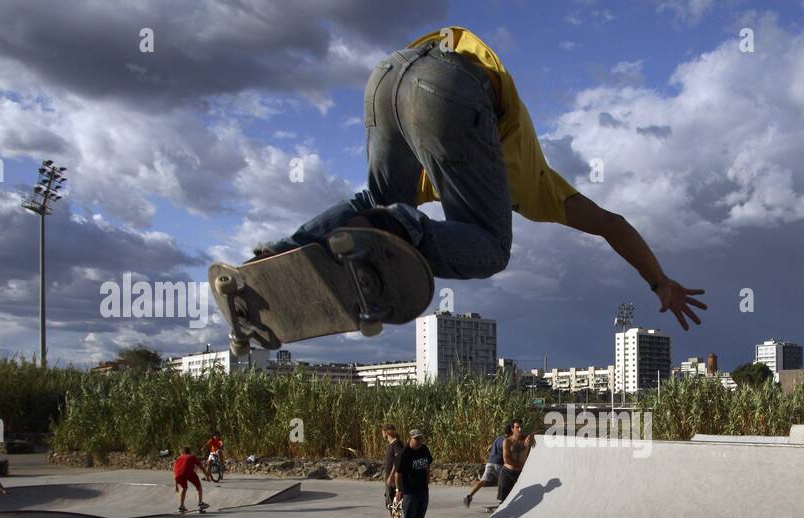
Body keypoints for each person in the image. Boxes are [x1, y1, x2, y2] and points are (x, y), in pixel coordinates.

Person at [250, 26, 706, 332]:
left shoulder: (443, 172)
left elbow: (616, 224)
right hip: (449, 88)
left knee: (376, 202)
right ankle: (390, 231)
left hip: (385, 79)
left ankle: (283, 253)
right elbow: (612, 224)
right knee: (490, 248)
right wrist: (658, 281)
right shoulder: (542, 185)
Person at [391, 428, 433, 518]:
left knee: (420, 516)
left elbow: (428, 464)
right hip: (409, 491)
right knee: (409, 517)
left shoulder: (424, 449)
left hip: (423, 489)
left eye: (421, 438)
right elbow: (397, 474)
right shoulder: (404, 454)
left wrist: (428, 478)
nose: (419, 441)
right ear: (409, 439)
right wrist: (398, 489)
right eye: (417, 439)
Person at [465, 423, 511, 507]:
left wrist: (493, 454)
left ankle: (469, 496)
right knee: (505, 481)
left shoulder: (498, 438)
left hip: (490, 462)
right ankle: (503, 500)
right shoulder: (507, 440)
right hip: (499, 464)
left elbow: (488, 448)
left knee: (483, 481)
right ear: (511, 431)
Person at [498, 419, 534, 503]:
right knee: (504, 500)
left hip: (519, 474)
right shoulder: (507, 441)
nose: (520, 429)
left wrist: (531, 435)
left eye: (521, 427)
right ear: (512, 429)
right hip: (507, 473)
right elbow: (506, 460)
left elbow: (540, 431)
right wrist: (522, 466)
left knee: (524, 500)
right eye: (517, 427)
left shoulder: (526, 438)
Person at [173, 445, 210, 514]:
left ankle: (181, 506)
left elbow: (176, 471)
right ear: (189, 452)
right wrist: (207, 476)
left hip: (178, 475)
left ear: (182, 453)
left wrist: (176, 485)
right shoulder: (192, 456)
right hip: (188, 472)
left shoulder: (178, 458)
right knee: (198, 487)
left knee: (184, 488)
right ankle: (200, 503)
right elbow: (201, 467)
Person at [379, 423, 404, 509]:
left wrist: (391, 476)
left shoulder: (397, 444)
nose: (382, 434)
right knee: (390, 500)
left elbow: (398, 461)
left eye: (382, 432)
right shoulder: (391, 444)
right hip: (390, 477)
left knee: (395, 500)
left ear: (387, 432)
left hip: (394, 478)